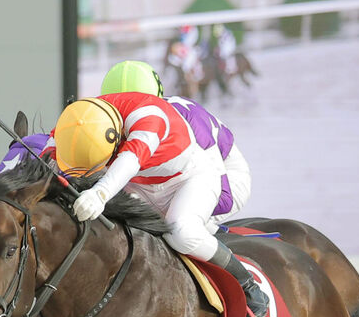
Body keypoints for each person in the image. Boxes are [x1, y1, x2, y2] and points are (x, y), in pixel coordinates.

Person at [47, 92, 269, 317]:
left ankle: (248, 286)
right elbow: (47, 151)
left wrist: (99, 194)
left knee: (182, 233)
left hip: (190, 178)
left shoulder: (149, 116)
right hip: (141, 185)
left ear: (116, 138)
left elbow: (129, 161)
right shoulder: (78, 119)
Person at [100, 59, 250, 225]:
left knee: (176, 230)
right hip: (168, 184)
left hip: (227, 178)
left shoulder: (191, 122)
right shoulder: (113, 123)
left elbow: (224, 199)